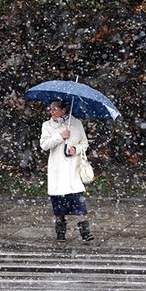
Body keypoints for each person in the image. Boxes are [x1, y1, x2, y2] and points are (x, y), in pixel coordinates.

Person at [40, 100, 94, 243]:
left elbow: (84, 144)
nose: (51, 112)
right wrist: (59, 136)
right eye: (50, 109)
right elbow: (44, 145)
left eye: (55, 109)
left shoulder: (76, 123)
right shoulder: (47, 125)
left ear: (64, 110)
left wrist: (75, 149)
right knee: (58, 206)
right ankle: (61, 232)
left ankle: (85, 231)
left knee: (79, 204)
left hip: (73, 172)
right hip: (57, 172)